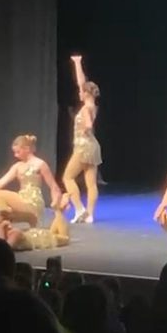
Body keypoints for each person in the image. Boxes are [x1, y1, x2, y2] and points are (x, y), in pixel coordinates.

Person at [0, 134, 62, 229]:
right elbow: (2, 181)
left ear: (26, 149)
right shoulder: (17, 166)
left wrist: (56, 205)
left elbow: (53, 187)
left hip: (33, 202)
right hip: (22, 199)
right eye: (14, 152)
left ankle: (21, 218)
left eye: (18, 152)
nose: (15, 155)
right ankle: (7, 219)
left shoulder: (40, 164)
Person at [64, 55, 103, 224]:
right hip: (92, 145)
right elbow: (81, 82)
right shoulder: (91, 105)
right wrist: (77, 63)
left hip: (83, 145)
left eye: (81, 91)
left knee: (67, 177)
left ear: (87, 93)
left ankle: (79, 209)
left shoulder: (87, 108)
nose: (79, 93)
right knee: (90, 182)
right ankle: (90, 214)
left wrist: (85, 126)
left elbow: (88, 124)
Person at [0, 195, 71, 251]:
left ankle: (58, 209)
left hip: (40, 238)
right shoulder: (2, 234)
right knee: (57, 232)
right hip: (37, 235)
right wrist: (1, 229)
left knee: (65, 238)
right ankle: (59, 209)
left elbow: (5, 249)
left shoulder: (15, 233)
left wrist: (2, 228)